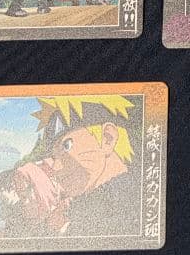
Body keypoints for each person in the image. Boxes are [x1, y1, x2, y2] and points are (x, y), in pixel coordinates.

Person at [31, 95, 141, 237]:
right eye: (54, 156)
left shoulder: (128, 199)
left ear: (107, 139)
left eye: (67, 146)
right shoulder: (83, 202)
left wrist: (63, 228)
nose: (56, 168)